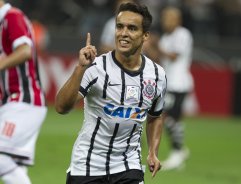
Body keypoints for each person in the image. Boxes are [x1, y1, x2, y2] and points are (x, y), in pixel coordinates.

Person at [55, 2, 166, 184]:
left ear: (145, 35)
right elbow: (61, 107)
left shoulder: (157, 75)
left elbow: (155, 116)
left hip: (128, 165)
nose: (123, 33)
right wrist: (80, 68)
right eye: (120, 27)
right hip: (88, 165)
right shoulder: (95, 67)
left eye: (132, 28)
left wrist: (153, 152)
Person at [0, 1, 47, 184]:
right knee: (13, 166)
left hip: (25, 101)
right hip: (10, 103)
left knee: (2, 157)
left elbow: (25, 51)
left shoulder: (12, 16)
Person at [158, 6, 194, 170]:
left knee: (168, 118)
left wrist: (155, 46)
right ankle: (180, 150)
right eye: (164, 18)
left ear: (177, 20)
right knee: (170, 119)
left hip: (179, 83)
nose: (165, 21)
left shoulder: (182, 34)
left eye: (169, 18)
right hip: (169, 83)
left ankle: (177, 152)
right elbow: (161, 58)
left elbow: (173, 56)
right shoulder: (165, 37)